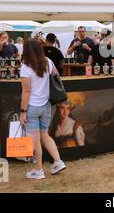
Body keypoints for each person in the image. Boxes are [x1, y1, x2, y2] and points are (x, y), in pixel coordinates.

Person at [19, 38, 66, 180]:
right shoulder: (48, 61)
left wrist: (22, 112)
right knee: (45, 135)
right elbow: (56, 75)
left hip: (32, 107)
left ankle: (38, 170)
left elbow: (26, 92)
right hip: (46, 105)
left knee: (35, 139)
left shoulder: (25, 67)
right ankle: (58, 162)